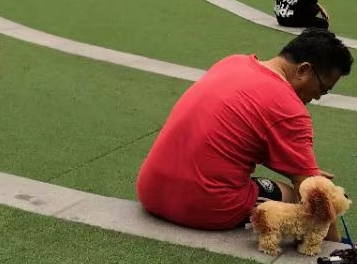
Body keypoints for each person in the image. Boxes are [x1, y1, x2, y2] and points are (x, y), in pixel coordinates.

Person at [136, 30, 352, 232]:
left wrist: (299, 167)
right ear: (304, 70)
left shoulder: (232, 62)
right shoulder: (290, 109)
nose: (316, 98)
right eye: (322, 90)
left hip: (150, 191)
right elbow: (314, 191)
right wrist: (336, 245)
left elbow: (237, 134)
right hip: (204, 208)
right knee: (290, 195)